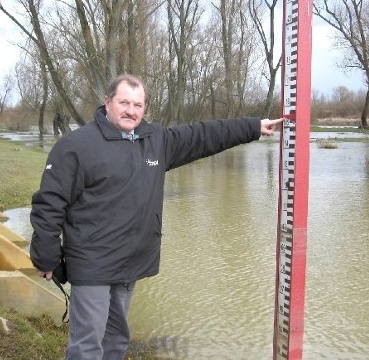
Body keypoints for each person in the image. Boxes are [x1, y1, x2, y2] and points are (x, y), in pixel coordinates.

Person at [29, 74, 282, 359]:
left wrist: (253, 127)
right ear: (107, 101)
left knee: (116, 339)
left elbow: (204, 136)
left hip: (130, 263)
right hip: (92, 264)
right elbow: (49, 204)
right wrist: (46, 255)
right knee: (87, 344)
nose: (131, 111)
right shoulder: (76, 146)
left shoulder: (155, 141)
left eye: (138, 105)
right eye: (124, 102)